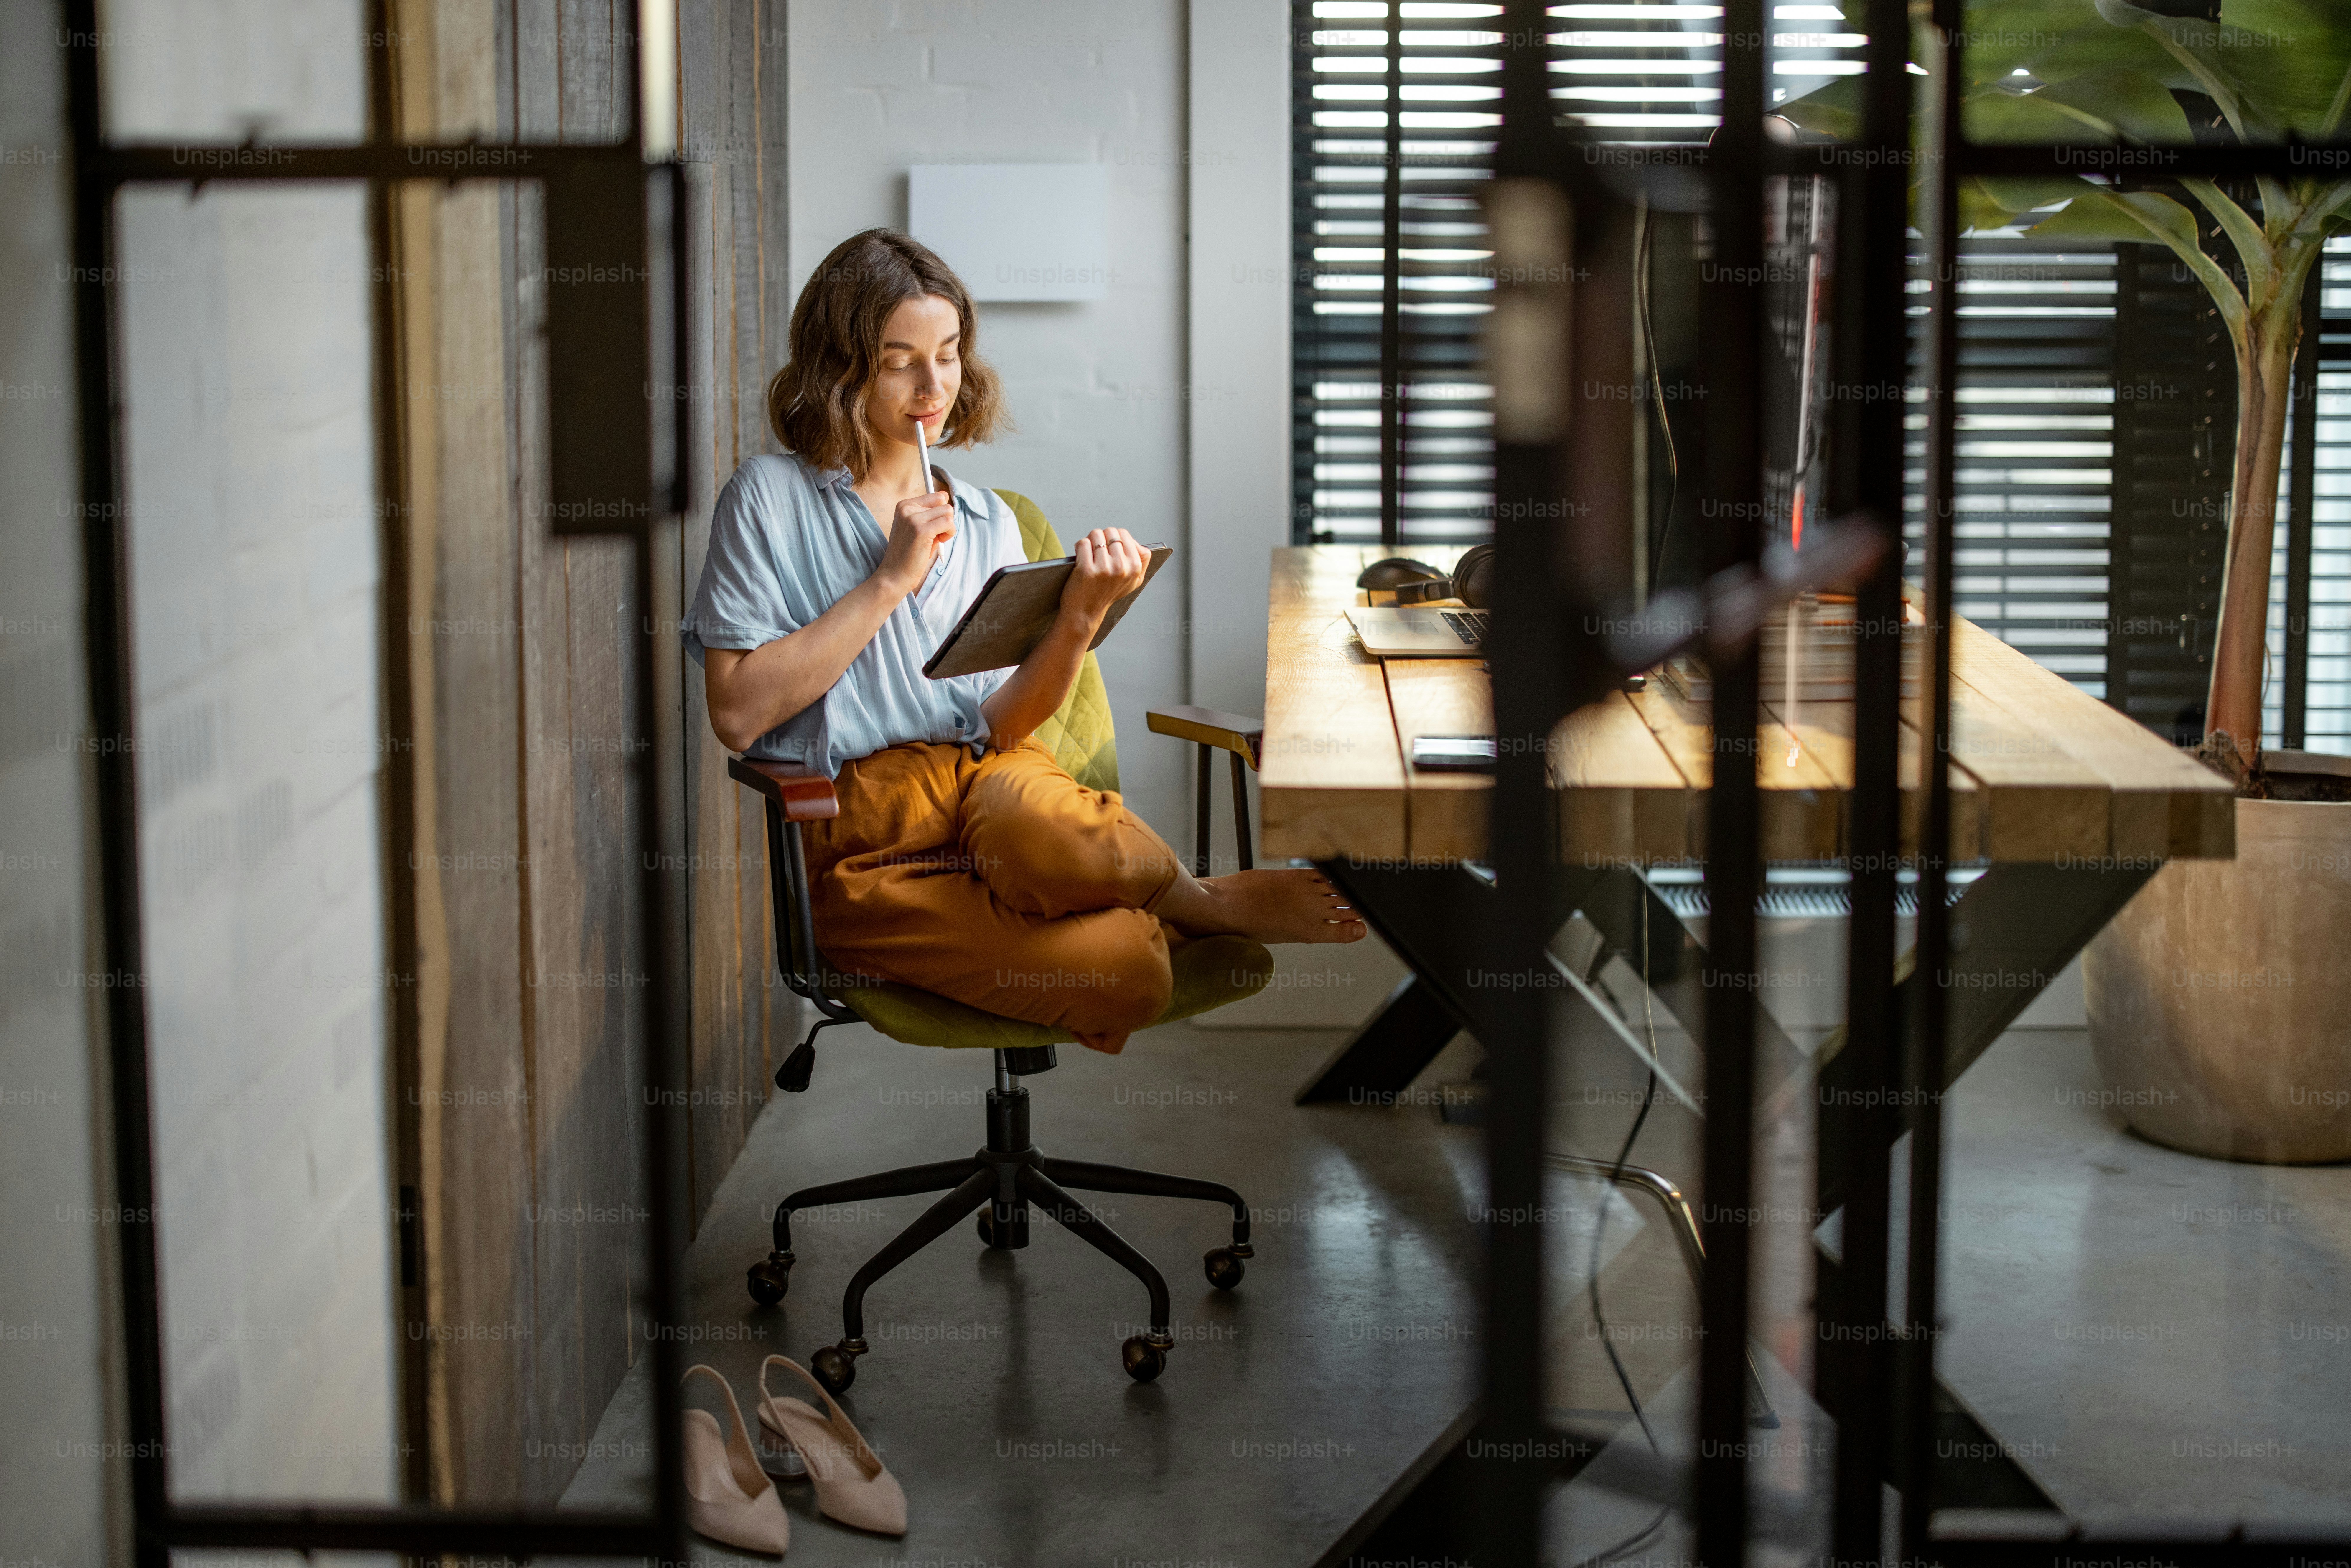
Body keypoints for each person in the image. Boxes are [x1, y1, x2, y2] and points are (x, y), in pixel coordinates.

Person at [683, 229, 1365, 1054]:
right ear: (840, 366)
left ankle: (1176, 896)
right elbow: (736, 713)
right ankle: (1192, 905)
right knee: (1132, 976)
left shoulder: (987, 520)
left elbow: (1003, 723)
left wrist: (1080, 615)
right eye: (900, 359)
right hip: (870, 837)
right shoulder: (768, 499)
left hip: (992, 779)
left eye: (950, 352)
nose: (934, 385)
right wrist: (886, 581)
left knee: (1047, 832)